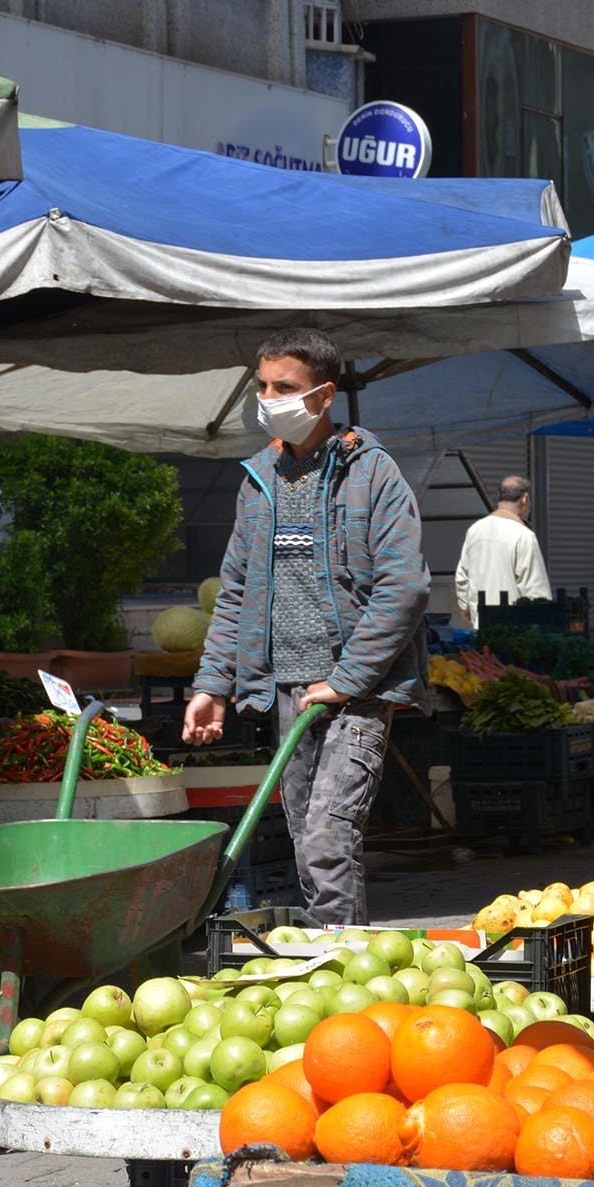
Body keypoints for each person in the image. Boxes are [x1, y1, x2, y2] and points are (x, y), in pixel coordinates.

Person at [185, 329, 431, 924]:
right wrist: (212, 685)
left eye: (285, 388)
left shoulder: (372, 475)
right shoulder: (259, 480)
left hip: (355, 694)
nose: (269, 399)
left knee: (326, 839)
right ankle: (336, 962)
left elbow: (406, 586)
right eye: (263, 385)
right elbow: (236, 591)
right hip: (285, 688)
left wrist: (348, 679)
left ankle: (343, 969)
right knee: (304, 836)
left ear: (324, 396)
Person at [452, 475, 552, 628]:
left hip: (481, 625)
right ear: (525, 499)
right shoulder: (524, 535)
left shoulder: (475, 530)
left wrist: (466, 607)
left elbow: (462, 577)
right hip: (514, 631)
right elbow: (535, 590)